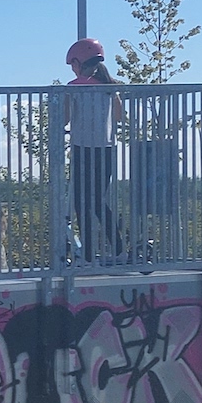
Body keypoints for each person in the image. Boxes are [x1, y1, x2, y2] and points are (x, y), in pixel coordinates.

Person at [63, 38, 126, 261]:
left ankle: (88, 254)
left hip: (82, 148)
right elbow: (119, 116)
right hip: (106, 149)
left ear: (80, 62)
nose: (73, 69)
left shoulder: (74, 88)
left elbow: (65, 118)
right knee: (99, 201)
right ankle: (118, 249)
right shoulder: (111, 88)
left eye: (73, 64)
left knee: (82, 203)